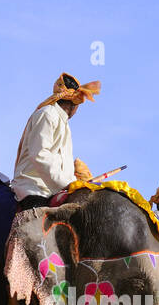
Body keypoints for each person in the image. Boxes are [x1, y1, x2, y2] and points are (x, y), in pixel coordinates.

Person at [10, 72, 100, 208]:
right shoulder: (47, 114)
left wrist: (77, 180)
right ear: (75, 104)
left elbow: (60, 163)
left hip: (54, 190)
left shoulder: (64, 124)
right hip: (34, 189)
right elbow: (40, 155)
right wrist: (69, 183)